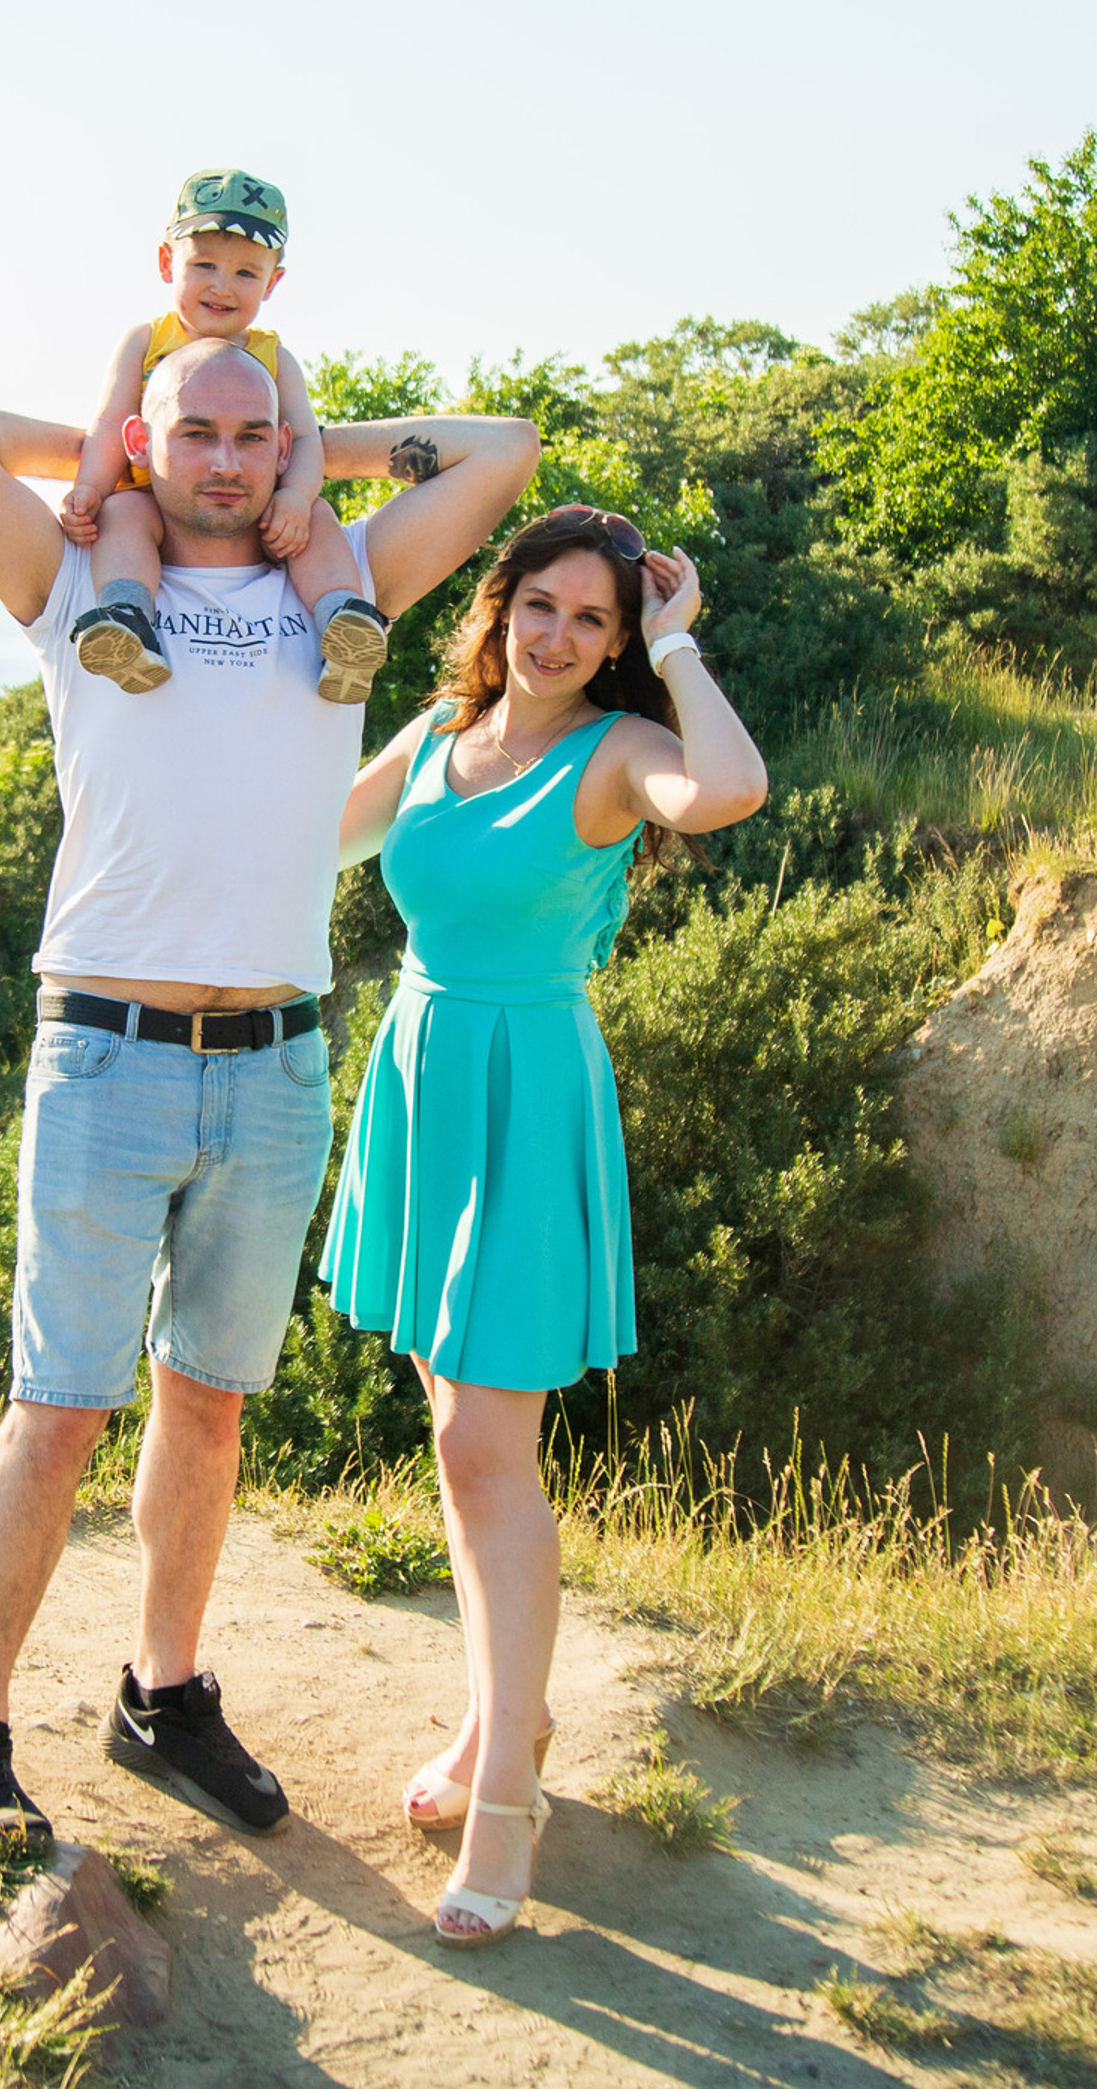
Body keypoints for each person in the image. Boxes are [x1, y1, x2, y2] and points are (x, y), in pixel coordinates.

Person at [0, 347, 537, 1850]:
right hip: (106, 1054)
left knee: (211, 1406)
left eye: (258, 435)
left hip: (275, 1064)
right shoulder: (77, 588)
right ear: (146, 434)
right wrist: (110, 455)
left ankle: (160, 1696)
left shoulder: (345, 577)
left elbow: (500, 451)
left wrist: (316, 453)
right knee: (54, 1413)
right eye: (201, 431)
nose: (232, 458)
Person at [324, 505, 767, 1946]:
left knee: (478, 1445)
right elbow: (312, 836)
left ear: (621, 643)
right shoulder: (438, 743)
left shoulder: (615, 758)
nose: (563, 638)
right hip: (424, 1073)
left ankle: (507, 1786)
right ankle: (493, 1719)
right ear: (502, 604)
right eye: (545, 607)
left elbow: (732, 788)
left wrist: (684, 642)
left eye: (599, 622)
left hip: (528, 1089)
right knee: (455, 1431)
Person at [57, 169, 390, 706]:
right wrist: (90, 488)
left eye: (244, 273)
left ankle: (344, 624)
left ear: (272, 283)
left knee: (318, 522)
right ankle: (127, 620)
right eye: (204, 265)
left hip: (252, 507)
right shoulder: (145, 341)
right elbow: (110, 423)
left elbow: (304, 442)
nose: (221, 285)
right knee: (121, 517)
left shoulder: (275, 358)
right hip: (157, 497)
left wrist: (295, 497)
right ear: (168, 262)